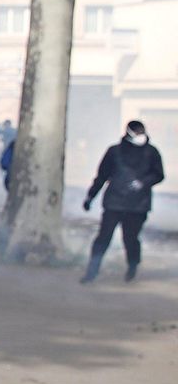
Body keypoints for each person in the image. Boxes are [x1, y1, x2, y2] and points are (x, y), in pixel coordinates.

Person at [81, 120, 164, 283]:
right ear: (128, 133)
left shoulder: (152, 152)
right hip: (114, 202)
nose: (141, 137)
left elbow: (159, 174)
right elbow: (102, 176)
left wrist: (143, 182)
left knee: (130, 239)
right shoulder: (114, 152)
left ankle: (132, 266)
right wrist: (90, 196)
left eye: (142, 133)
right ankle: (92, 271)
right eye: (138, 133)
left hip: (138, 205)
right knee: (103, 237)